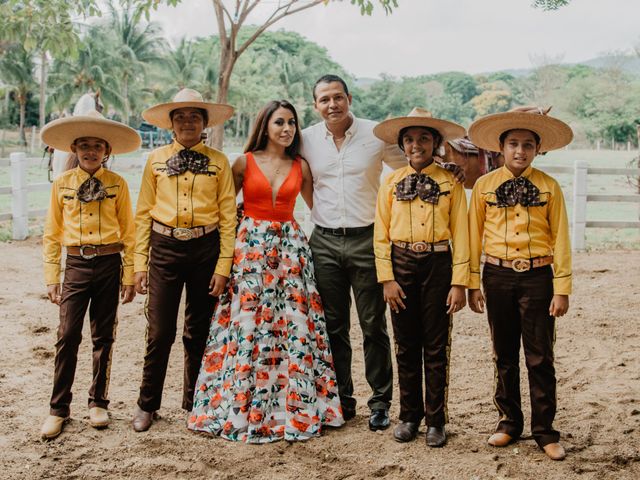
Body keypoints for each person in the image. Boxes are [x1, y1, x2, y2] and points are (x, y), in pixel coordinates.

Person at [302, 74, 464, 430]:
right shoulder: (307, 140)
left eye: (338, 97)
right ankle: (341, 400)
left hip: (367, 238)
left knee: (373, 323)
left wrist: (447, 165)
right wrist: (319, 214)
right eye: (324, 99)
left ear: (349, 98)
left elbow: (413, 160)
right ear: (316, 105)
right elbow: (295, 175)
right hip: (324, 240)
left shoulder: (376, 136)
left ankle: (380, 401)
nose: (332, 104)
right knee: (333, 325)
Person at [188, 100, 344, 443]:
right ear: (265, 126)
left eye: (291, 123)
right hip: (250, 250)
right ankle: (243, 406)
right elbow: (225, 209)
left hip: (290, 252)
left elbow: (322, 208)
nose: (287, 129)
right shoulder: (244, 162)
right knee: (248, 326)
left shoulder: (300, 166)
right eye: (279, 123)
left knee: (293, 328)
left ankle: (294, 409)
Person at [467, 106, 573, 460]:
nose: (520, 151)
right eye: (513, 143)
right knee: (504, 352)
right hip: (496, 276)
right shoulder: (483, 187)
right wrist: (470, 283)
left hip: (538, 277)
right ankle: (509, 422)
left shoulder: (549, 187)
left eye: (528, 144)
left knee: (540, 356)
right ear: (501, 147)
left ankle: (545, 431)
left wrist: (562, 287)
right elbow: (472, 235)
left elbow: (560, 238)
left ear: (537, 149)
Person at [131, 89, 237, 432]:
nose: (187, 122)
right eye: (180, 117)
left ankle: (195, 402)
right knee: (160, 331)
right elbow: (143, 213)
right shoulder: (155, 160)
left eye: (194, 116)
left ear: (205, 123)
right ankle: (147, 404)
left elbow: (228, 217)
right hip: (164, 248)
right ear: (170, 124)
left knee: (199, 331)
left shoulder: (220, 162)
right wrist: (138, 265)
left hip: (206, 249)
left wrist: (223, 266)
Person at [40, 110, 141, 439]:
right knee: (67, 335)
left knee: (103, 336)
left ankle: (98, 402)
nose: (90, 151)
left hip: (109, 264)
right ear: (73, 148)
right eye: (84, 144)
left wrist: (129, 276)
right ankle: (58, 408)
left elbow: (130, 231)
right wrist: (52, 275)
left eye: (97, 145)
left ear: (107, 151)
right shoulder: (63, 185)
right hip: (76, 265)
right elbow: (52, 233)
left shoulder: (117, 185)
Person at [373, 108, 469, 447]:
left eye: (424, 138)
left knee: (436, 344)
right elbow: (380, 234)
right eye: (410, 139)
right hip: (401, 264)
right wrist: (387, 278)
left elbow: (463, 232)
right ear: (402, 145)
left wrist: (460, 282)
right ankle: (409, 415)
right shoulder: (391, 183)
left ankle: (436, 420)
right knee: (405, 344)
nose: (417, 145)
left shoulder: (451, 183)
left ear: (437, 143)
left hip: (438, 264)